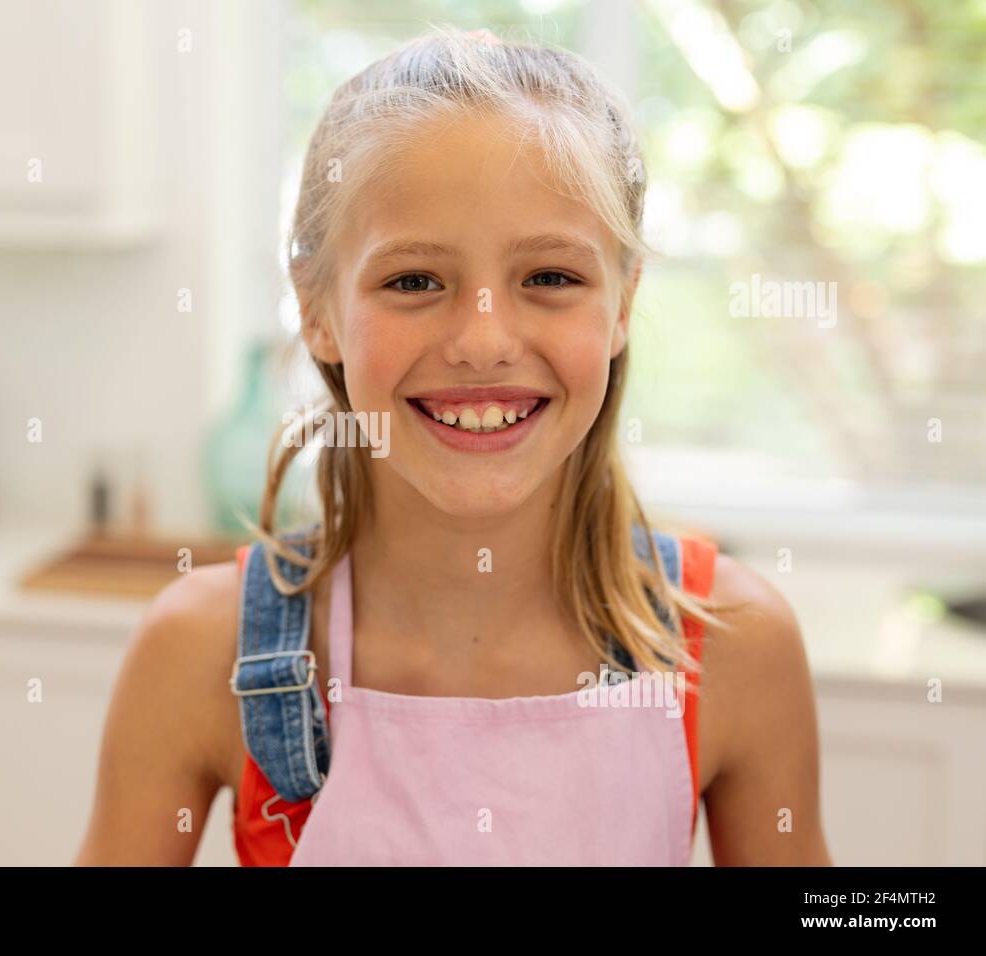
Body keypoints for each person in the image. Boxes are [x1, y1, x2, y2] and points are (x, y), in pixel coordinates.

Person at [75, 25, 830, 867]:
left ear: (622, 304)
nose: (482, 341)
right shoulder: (200, 649)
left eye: (549, 277)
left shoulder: (734, 641)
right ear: (318, 309)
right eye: (414, 281)